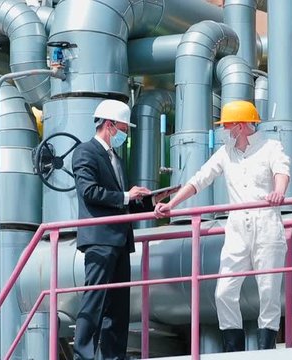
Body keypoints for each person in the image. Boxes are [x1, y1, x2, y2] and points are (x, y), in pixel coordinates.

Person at [154, 100, 290, 352]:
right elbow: (200, 179)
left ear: (240, 124)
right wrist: (172, 205)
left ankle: (265, 350)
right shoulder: (226, 152)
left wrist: (279, 192)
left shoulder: (271, 147)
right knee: (223, 291)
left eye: (228, 124)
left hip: (266, 224)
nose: (225, 129)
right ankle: (233, 350)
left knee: (269, 291)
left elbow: (282, 170)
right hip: (237, 228)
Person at [71, 99, 178, 360]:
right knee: (95, 299)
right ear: (109, 125)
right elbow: (90, 192)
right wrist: (127, 196)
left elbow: (121, 202)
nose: (125, 133)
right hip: (99, 239)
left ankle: (113, 355)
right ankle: (83, 354)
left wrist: (150, 202)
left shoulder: (115, 158)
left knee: (118, 306)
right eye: (123, 128)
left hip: (119, 240)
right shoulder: (85, 152)